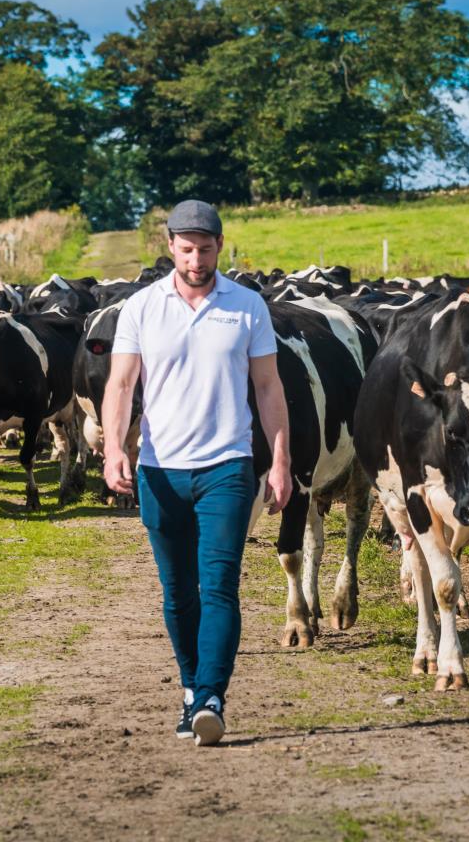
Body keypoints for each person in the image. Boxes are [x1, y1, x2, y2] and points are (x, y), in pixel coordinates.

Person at [101, 199, 291, 747]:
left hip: (227, 468)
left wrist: (279, 461)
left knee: (220, 584)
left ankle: (211, 695)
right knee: (177, 591)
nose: (196, 260)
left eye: (205, 250)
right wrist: (116, 448)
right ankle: (190, 689)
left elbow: (269, 389)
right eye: (187, 250)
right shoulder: (140, 308)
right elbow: (120, 386)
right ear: (170, 248)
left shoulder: (248, 307)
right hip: (160, 470)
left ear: (219, 247)